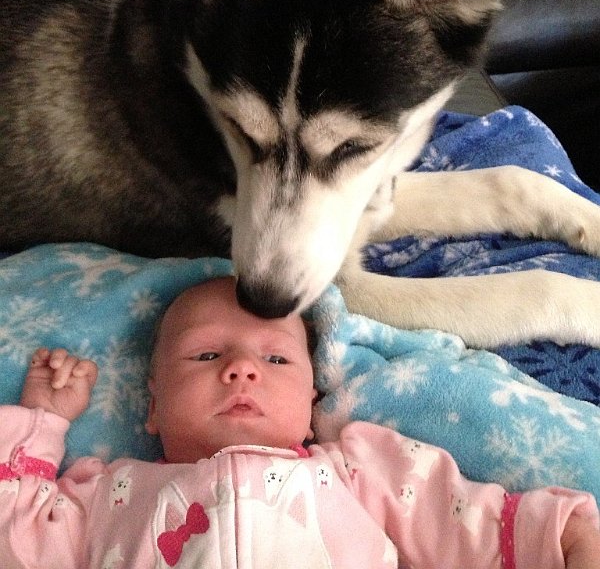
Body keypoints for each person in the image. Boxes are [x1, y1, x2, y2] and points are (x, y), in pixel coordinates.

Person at [1, 277, 599, 569]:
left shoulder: (360, 471)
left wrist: (563, 536)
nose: (241, 369)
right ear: (152, 407)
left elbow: (464, 520)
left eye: (276, 360)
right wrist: (42, 424)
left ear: (312, 402)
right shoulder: (106, 493)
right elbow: (17, 544)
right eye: (206, 355)